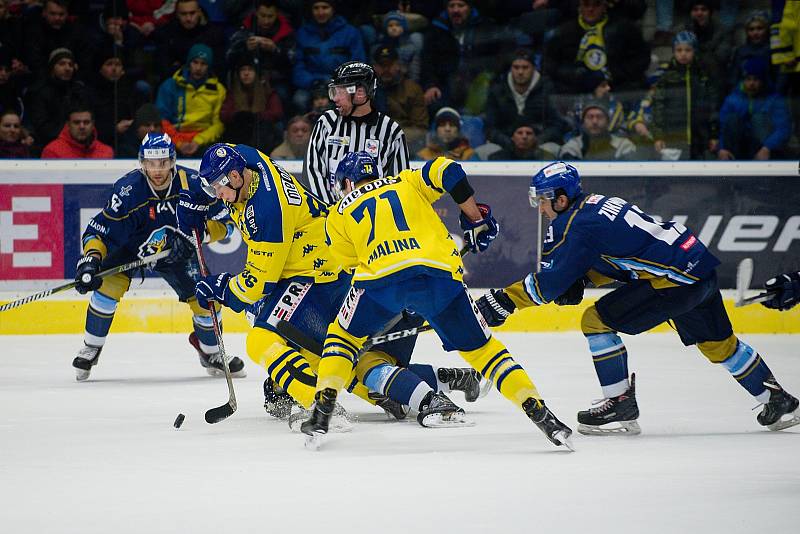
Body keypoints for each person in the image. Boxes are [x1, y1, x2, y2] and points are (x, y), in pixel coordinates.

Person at [475, 161, 800, 435]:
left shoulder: (576, 224)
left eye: (544, 200)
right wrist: (585, 277)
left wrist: (504, 300)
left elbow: (548, 284)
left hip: (673, 283)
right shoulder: (597, 205)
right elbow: (624, 253)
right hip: (697, 268)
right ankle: (777, 400)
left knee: (595, 320)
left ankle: (620, 405)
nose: (541, 208)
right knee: (720, 344)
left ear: (561, 199)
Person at [182, 143, 483, 426]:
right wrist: (201, 194)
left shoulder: (268, 212)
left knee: (262, 339)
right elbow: (230, 154)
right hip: (330, 267)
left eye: (219, 186)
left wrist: (221, 288)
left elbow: (257, 285)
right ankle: (442, 379)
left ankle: (318, 405)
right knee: (338, 359)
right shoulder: (252, 161)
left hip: (315, 276)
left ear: (236, 176)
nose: (218, 194)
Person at [299, 151, 574, 449]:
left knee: (341, 339)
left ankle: (323, 408)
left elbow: (351, 263)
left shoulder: (339, 211)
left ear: (347, 183)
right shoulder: (407, 181)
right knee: (486, 353)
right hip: (441, 277)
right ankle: (540, 412)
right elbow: (450, 170)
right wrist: (475, 217)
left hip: (381, 282)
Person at [71, 133, 244, 381]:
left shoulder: (195, 183)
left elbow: (227, 224)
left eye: (163, 162)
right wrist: (90, 260)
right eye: (151, 163)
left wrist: (195, 237)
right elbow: (100, 230)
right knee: (105, 293)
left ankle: (211, 352)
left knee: (206, 300)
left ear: (172, 160)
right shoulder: (127, 190)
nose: (157, 169)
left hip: (178, 250)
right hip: (129, 248)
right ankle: (91, 348)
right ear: (142, 162)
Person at [303, 60, 409, 205]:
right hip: (330, 218)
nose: (334, 98)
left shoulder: (391, 131)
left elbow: (400, 184)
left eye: (340, 91)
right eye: (334, 91)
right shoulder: (327, 122)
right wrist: (331, 212)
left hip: (372, 219)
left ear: (360, 93)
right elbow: (312, 171)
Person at [543, 0, 649, 98]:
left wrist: (612, 75)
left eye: (596, 5)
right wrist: (578, 76)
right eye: (586, 5)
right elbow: (550, 64)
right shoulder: (563, 32)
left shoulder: (625, 29)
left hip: (617, 86)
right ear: (579, 7)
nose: (591, 9)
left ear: (604, 7)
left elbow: (641, 59)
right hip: (575, 89)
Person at [651, 31, 719, 160]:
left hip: (700, 138)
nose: (683, 54)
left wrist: (713, 135)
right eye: (679, 50)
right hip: (673, 137)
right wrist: (658, 136)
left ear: (695, 51)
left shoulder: (703, 76)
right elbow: (658, 107)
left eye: (688, 50)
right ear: (674, 52)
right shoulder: (666, 77)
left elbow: (712, 106)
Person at [485, 48, 567, 151]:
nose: (520, 72)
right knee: (486, 150)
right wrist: (509, 142)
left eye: (525, 67)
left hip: (539, 143)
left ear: (533, 68)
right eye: (516, 67)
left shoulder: (547, 89)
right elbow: (490, 127)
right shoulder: (497, 91)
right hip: (506, 143)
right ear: (511, 69)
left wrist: (537, 140)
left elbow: (557, 124)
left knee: (552, 149)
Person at [292, 0, 366, 113]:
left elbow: (358, 64)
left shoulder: (350, 32)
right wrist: (312, 82)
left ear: (333, 9)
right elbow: (298, 65)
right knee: (299, 99)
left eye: (325, 7)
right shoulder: (303, 33)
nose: (320, 12)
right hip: (312, 84)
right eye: (316, 8)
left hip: (342, 84)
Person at [156, 43, 226, 157]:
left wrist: (198, 141)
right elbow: (161, 119)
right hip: (173, 139)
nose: (198, 68)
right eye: (195, 62)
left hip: (203, 141)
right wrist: (178, 142)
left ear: (209, 66)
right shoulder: (170, 85)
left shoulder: (219, 90)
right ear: (189, 63)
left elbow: (218, 124)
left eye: (203, 64)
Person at [717, 58, 790, 161]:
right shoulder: (733, 99)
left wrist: (767, 147)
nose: (751, 83)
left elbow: (783, 129)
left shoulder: (774, 100)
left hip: (764, 150)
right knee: (732, 119)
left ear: (763, 81)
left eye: (755, 80)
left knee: (759, 118)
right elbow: (723, 126)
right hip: (739, 148)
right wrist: (722, 148)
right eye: (748, 79)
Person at [25, 47, 91, 150]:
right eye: (62, 64)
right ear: (52, 67)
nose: (67, 68)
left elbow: (88, 120)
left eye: (70, 64)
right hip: (49, 146)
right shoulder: (40, 92)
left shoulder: (80, 91)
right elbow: (41, 126)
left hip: (80, 144)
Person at [219, 54, 283, 151]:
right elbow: (224, 115)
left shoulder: (268, 92)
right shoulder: (232, 93)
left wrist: (255, 116)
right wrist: (240, 115)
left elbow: (276, 113)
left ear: (257, 73)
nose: (246, 73)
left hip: (261, 134)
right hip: (238, 134)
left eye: (250, 70)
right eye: (243, 70)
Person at [371, 45, 428, 153]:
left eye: (390, 65)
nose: (386, 69)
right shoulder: (366, 92)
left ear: (398, 65)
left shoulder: (413, 89)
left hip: (406, 146)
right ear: (375, 67)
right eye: (382, 65)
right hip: (372, 145)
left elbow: (421, 129)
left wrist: (392, 137)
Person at [558, 99, 636, 160]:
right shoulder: (573, 145)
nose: (595, 121)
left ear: (607, 122)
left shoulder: (623, 145)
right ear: (583, 122)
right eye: (590, 117)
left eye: (599, 117)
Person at [41, 107, 114, 159]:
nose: (82, 126)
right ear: (68, 125)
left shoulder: (106, 152)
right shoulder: (52, 151)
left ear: (93, 124)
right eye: (76, 122)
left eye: (86, 122)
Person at [488, 122, 557, 161]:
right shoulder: (497, 158)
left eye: (529, 133)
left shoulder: (547, 158)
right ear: (512, 137)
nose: (524, 137)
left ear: (535, 138)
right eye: (520, 133)